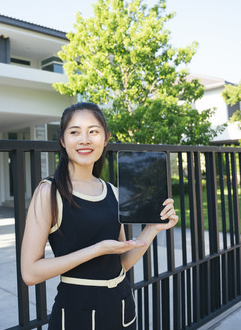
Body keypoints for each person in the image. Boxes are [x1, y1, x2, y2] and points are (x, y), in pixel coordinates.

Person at [21, 102, 178, 330]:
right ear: (63, 141)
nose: (84, 139)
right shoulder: (49, 191)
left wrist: (152, 229)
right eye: (75, 132)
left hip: (122, 308)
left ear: (105, 139)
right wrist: (97, 249)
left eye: (93, 131)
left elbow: (121, 263)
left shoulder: (113, 192)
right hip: (77, 313)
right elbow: (30, 273)